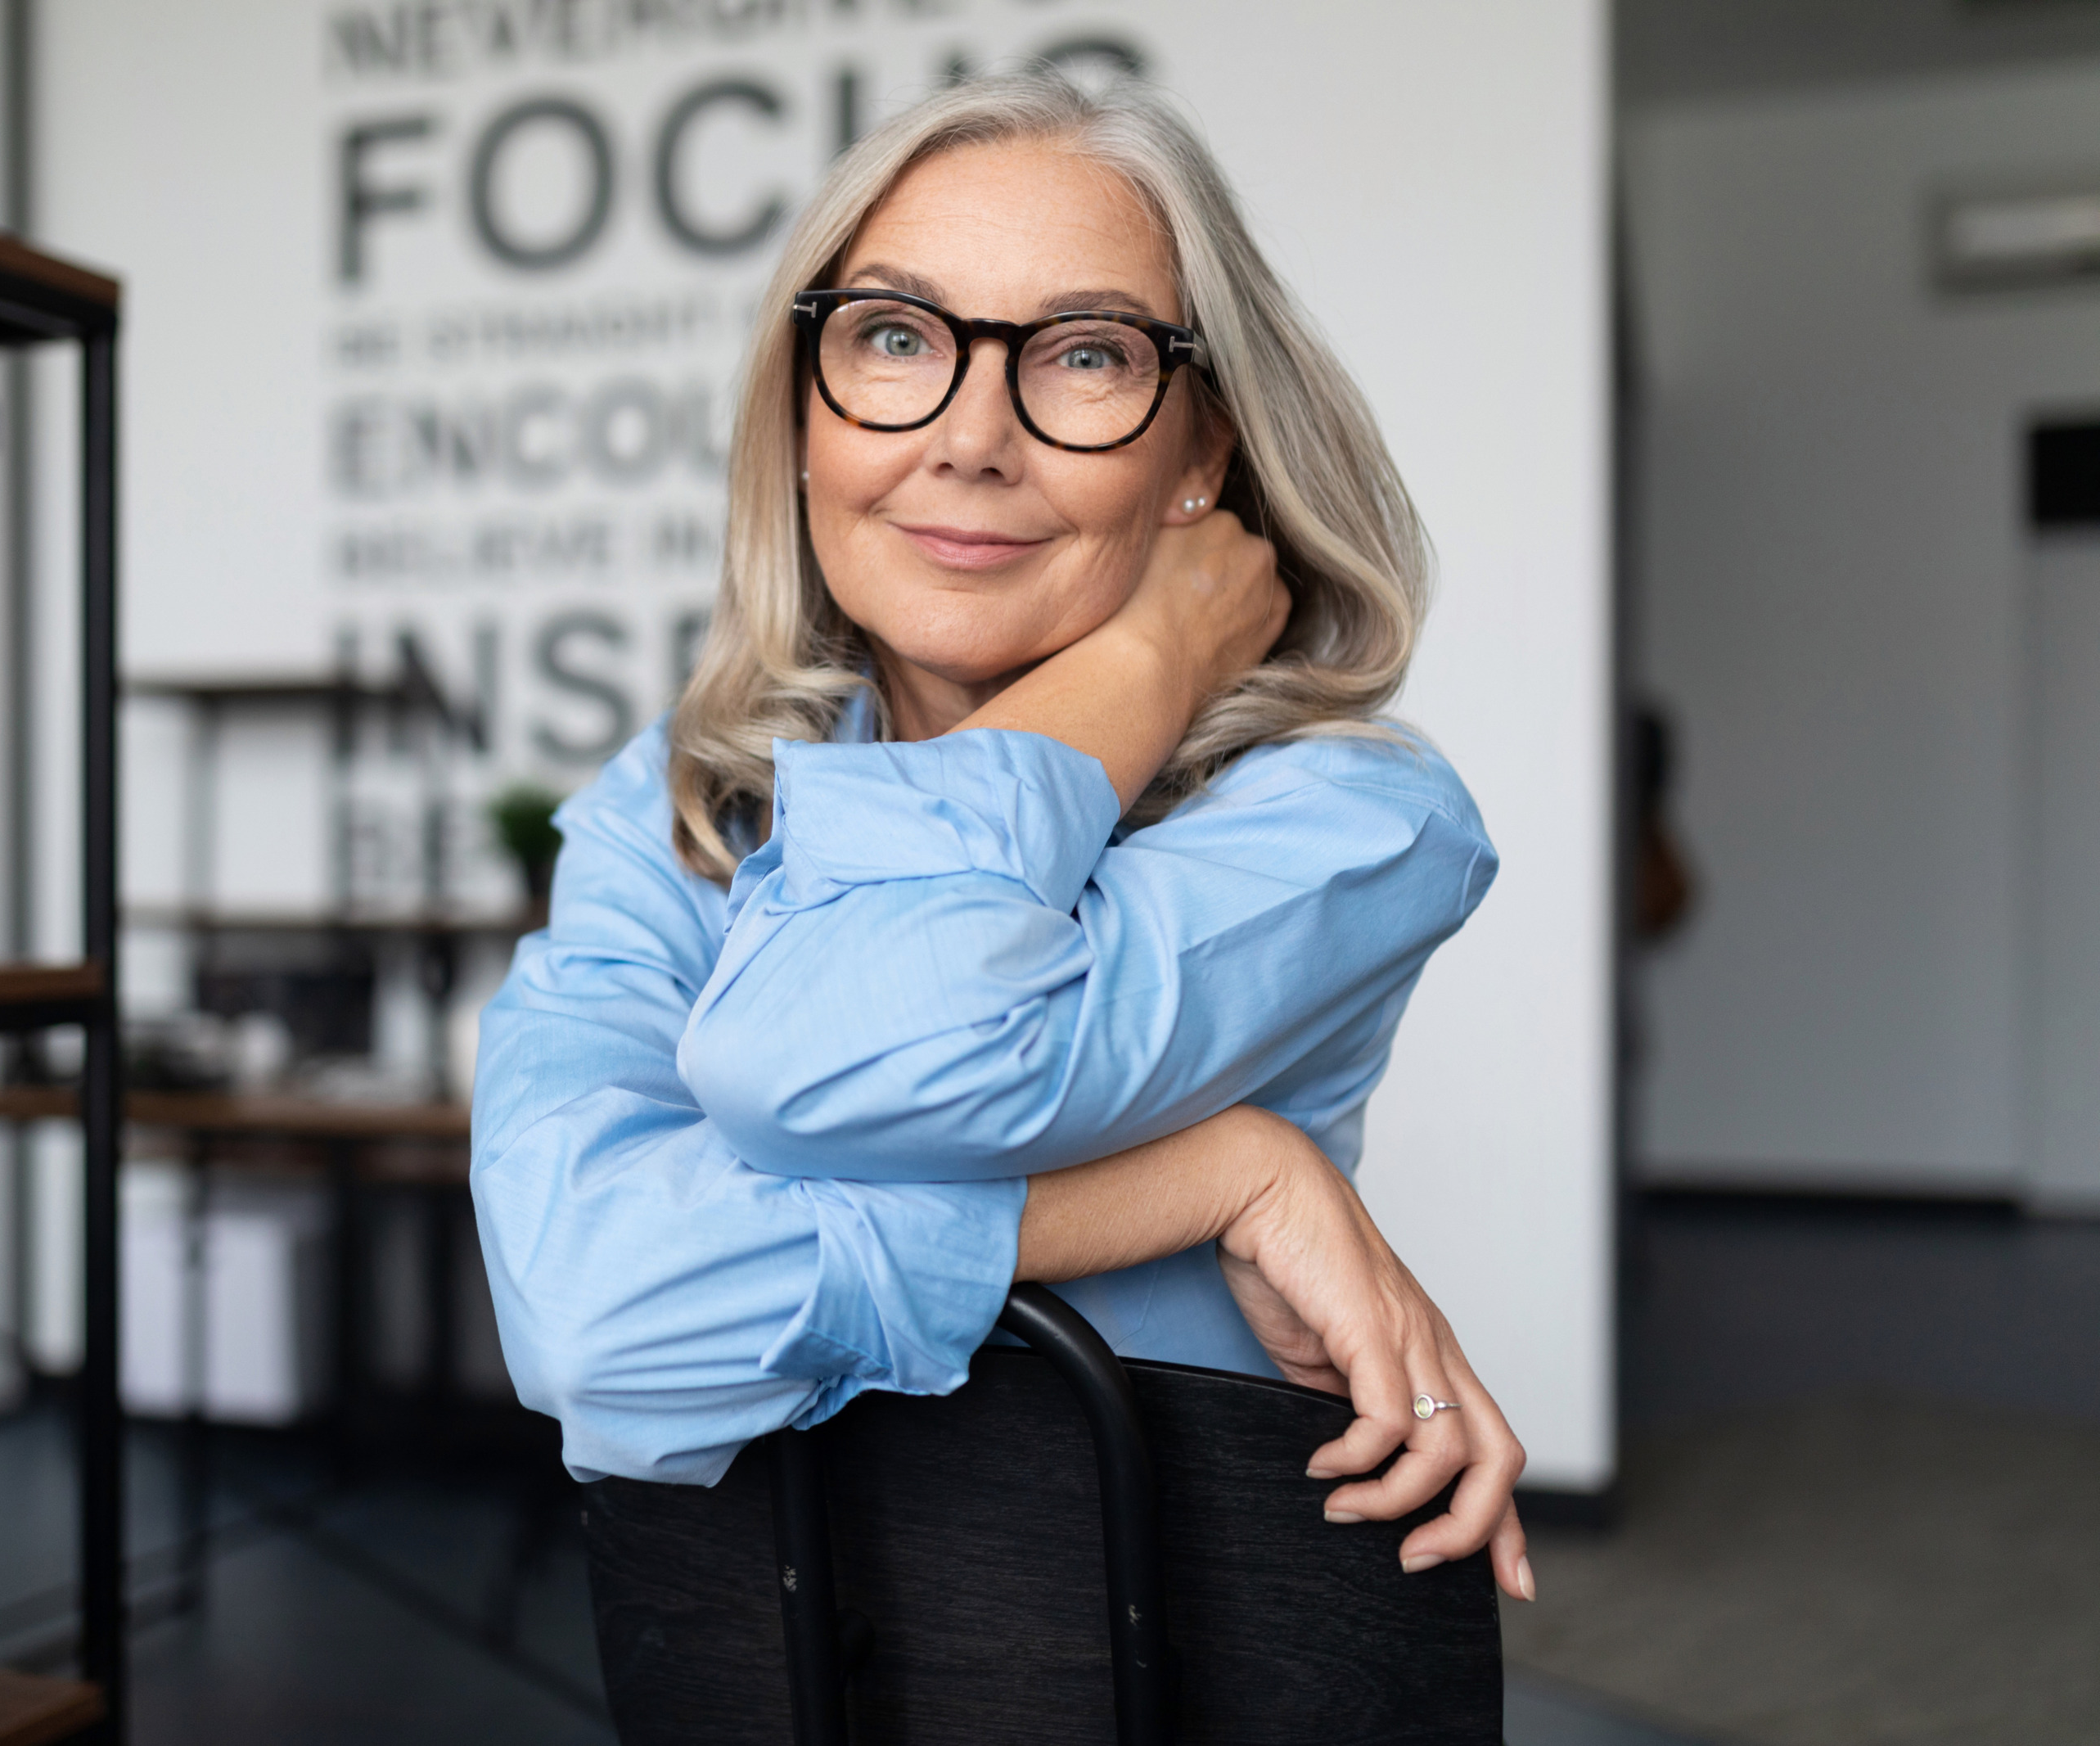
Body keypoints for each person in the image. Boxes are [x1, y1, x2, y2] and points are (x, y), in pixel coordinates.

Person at [471, 70, 1532, 1602]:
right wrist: (1216, 1177)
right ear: (804, 412)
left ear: (1202, 454)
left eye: (1087, 354)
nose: (970, 437)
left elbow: (836, 1044)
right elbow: (598, 1316)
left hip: (1168, 1652)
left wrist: (1146, 666)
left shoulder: (1349, 816)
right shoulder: (682, 803)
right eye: (895, 337)